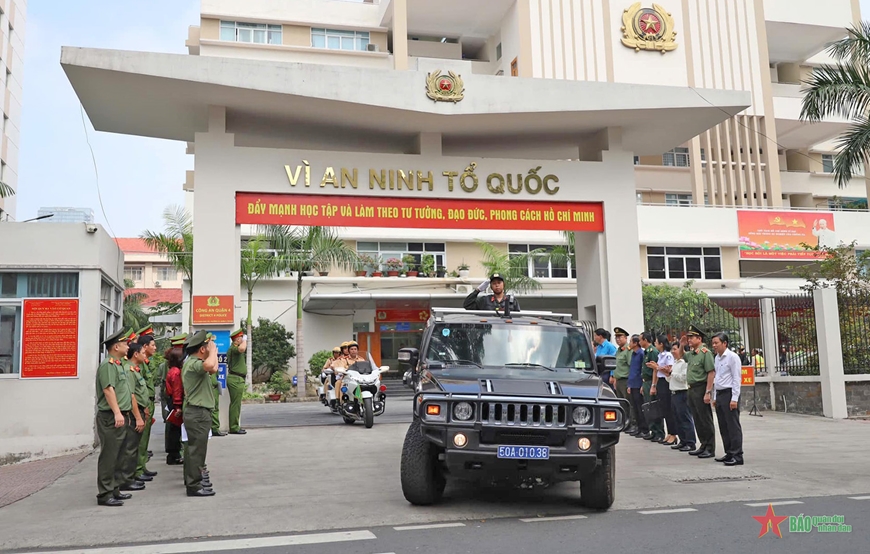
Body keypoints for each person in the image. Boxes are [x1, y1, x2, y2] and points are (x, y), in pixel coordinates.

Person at [95, 328, 135, 506]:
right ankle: (105, 494)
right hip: (111, 417)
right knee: (109, 456)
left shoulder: (118, 364)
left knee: (119, 455)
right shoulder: (108, 365)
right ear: (116, 346)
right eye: (125, 344)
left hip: (121, 416)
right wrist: (117, 412)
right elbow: (108, 389)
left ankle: (115, 488)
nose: (128, 346)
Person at [182, 330, 219, 497]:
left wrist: (213, 353)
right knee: (196, 451)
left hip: (199, 412)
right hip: (197, 412)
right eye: (207, 346)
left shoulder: (194, 362)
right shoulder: (194, 363)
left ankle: (194, 482)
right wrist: (213, 352)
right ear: (202, 350)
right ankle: (194, 485)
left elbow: (213, 369)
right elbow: (210, 366)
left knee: (196, 450)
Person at [711, 333, 744, 466]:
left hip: (729, 393)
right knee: (723, 425)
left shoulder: (733, 357)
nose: (714, 346)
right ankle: (729, 452)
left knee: (732, 425)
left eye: (716, 343)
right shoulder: (717, 358)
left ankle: (737, 455)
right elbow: (717, 378)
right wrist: (714, 396)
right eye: (713, 343)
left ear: (725, 343)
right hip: (719, 393)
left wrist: (734, 398)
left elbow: (737, 378)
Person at [684, 325, 716, 459]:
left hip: (701, 388)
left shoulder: (705, 353)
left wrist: (708, 392)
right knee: (697, 418)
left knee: (705, 419)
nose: (689, 340)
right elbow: (679, 355)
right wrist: (681, 345)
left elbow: (711, 372)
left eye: (691, 337)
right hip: (691, 389)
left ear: (699, 338)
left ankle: (710, 447)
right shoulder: (692, 354)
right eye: (688, 337)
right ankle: (703, 444)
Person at [122, 342, 150, 486]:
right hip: (134, 413)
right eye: (143, 353)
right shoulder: (129, 370)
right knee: (130, 448)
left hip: (139, 410)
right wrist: (138, 417)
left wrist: (144, 408)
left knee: (135, 446)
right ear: (136, 354)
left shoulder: (135, 369)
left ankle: (132, 475)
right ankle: (127, 479)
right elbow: (131, 395)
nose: (145, 355)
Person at [135, 327, 159, 481]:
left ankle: (142, 466)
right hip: (143, 404)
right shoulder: (139, 364)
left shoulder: (146, 362)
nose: (155, 348)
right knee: (140, 440)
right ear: (144, 346)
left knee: (145, 439)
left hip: (149, 402)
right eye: (153, 345)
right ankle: (137, 470)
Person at [668, 341, 697, 452]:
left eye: (675, 349)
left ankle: (690, 442)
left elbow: (684, 378)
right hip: (674, 392)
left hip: (682, 392)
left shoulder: (685, 363)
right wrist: (668, 374)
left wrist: (671, 373)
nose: (673, 351)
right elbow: (670, 379)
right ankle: (683, 440)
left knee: (685, 418)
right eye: (673, 349)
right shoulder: (675, 363)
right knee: (677, 418)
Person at [650, 334, 678, 446]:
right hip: (660, 382)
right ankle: (669, 433)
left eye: (656, 343)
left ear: (661, 344)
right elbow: (658, 371)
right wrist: (654, 384)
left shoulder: (668, 355)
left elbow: (669, 370)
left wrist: (657, 368)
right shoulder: (660, 355)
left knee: (669, 408)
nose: (655, 345)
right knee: (664, 409)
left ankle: (673, 434)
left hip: (667, 382)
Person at [611, 327, 636, 435]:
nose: (618, 339)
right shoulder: (618, 351)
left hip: (626, 380)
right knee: (622, 404)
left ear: (625, 338)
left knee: (629, 403)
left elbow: (631, 366)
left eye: (620, 337)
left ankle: (632, 424)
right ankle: (625, 423)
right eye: (616, 337)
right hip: (619, 380)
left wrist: (630, 383)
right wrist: (615, 379)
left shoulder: (628, 350)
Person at [164, 342, 185, 466]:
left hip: (171, 400)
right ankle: (174, 455)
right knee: (175, 430)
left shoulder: (172, 370)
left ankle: (173, 454)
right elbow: (177, 390)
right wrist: (178, 407)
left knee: (173, 429)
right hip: (175, 402)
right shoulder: (176, 372)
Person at [639, 332, 663, 442]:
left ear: (645, 340)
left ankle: (659, 432)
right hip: (646, 382)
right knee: (649, 407)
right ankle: (653, 431)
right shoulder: (646, 352)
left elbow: (655, 369)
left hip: (651, 381)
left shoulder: (653, 352)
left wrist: (653, 385)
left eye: (640, 340)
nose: (639, 342)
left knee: (654, 407)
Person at [627, 335, 649, 439]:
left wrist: (641, 385)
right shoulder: (633, 354)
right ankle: (639, 428)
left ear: (635, 343)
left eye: (631, 342)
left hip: (638, 384)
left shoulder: (641, 353)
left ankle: (644, 429)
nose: (629, 344)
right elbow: (632, 370)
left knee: (640, 408)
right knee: (635, 407)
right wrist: (629, 384)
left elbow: (641, 370)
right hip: (632, 384)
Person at [227, 328, 248, 435]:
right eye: (241, 337)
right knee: (235, 404)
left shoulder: (235, 348)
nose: (243, 340)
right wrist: (245, 340)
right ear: (237, 340)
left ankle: (235, 426)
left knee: (236, 404)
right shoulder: (235, 348)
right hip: (235, 379)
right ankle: (234, 427)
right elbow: (242, 349)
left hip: (237, 379)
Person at [207, 333, 226, 437]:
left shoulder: (212, 356)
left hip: (214, 386)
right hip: (208, 387)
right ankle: (212, 428)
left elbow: (216, 370)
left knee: (215, 408)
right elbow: (211, 369)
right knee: (211, 408)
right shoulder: (206, 356)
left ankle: (215, 428)